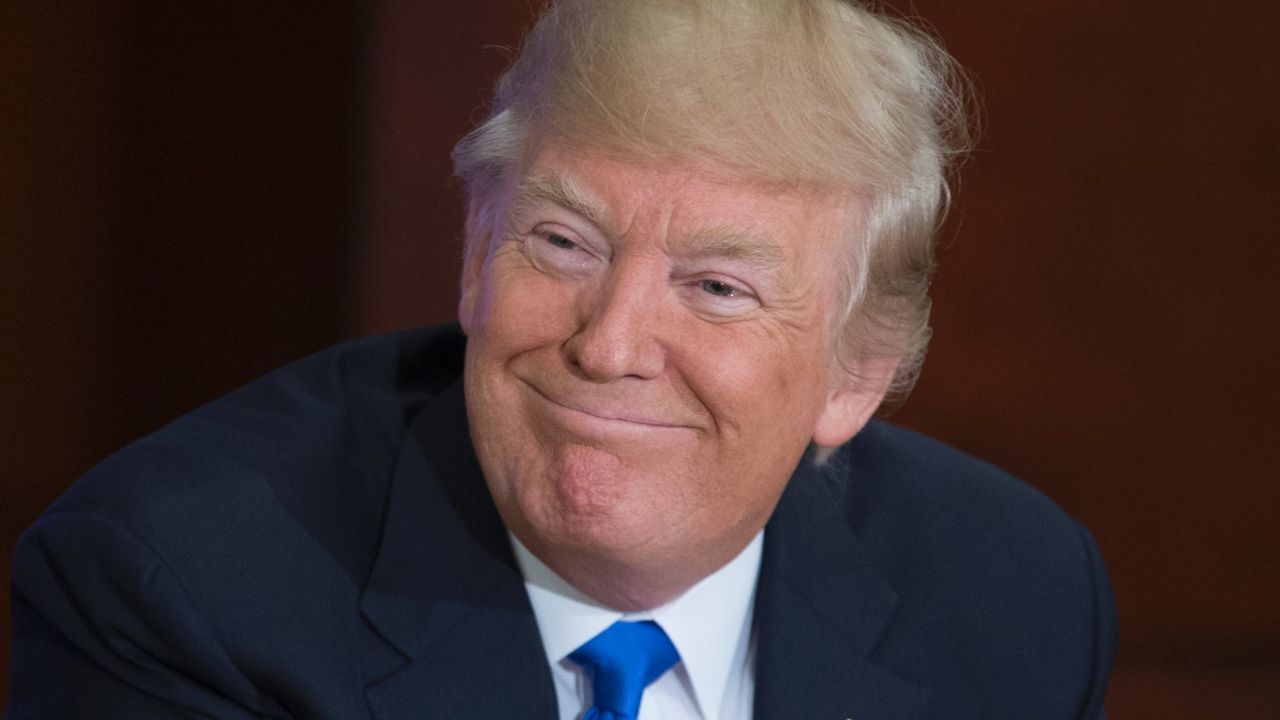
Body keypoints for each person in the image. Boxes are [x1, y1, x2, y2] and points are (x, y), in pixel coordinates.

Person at [5, 0, 1116, 718]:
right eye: (563, 243)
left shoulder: (1008, 601)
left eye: (716, 287)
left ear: (853, 375)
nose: (608, 343)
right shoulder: (183, 589)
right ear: (474, 254)